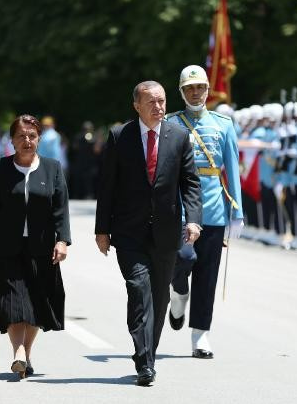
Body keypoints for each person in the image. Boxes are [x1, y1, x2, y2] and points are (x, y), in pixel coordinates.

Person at [95, 80, 202, 386]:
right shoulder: (120, 136)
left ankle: (148, 354)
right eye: (151, 102)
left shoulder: (179, 136)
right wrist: (102, 229)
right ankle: (144, 361)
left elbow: (190, 182)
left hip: (167, 232)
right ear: (137, 106)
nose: (158, 107)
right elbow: (108, 185)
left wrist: (193, 219)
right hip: (128, 232)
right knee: (138, 290)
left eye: (162, 101)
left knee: (159, 296)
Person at [0, 114, 71, 379]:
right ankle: (17, 353)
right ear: (12, 140)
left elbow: (61, 209)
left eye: (31, 136)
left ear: (39, 138)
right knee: (14, 304)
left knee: (37, 305)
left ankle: (25, 356)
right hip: (6, 247)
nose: (26, 141)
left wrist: (62, 240)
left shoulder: (52, 168)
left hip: (42, 248)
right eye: (21, 136)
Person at [165, 65, 243, 359]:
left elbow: (232, 169)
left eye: (200, 88)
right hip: (181, 204)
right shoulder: (171, 123)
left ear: (208, 91)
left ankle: (200, 335)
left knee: (208, 275)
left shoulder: (223, 124)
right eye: (189, 89)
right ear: (182, 92)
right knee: (183, 257)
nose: (195, 93)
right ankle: (178, 291)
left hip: (212, 207)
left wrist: (237, 210)